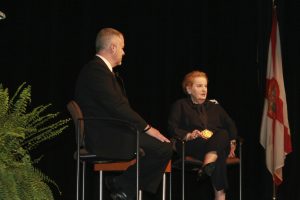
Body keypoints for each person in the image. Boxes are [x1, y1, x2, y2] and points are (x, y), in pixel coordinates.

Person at [74, 27, 172, 200]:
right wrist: (148, 128)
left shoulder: (101, 71)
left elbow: (117, 107)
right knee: (163, 147)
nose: (124, 52)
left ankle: (124, 186)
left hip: (112, 131)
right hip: (105, 136)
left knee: (163, 147)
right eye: (122, 47)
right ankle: (123, 186)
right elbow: (117, 107)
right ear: (112, 47)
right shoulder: (96, 71)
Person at [168, 70, 238, 200]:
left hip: (215, 143)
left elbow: (230, 125)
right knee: (220, 153)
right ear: (189, 89)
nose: (204, 89)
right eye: (199, 86)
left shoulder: (214, 106)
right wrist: (189, 135)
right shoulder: (180, 105)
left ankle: (207, 164)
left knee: (222, 134)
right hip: (192, 144)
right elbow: (172, 127)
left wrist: (232, 142)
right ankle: (220, 195)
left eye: (205, 86)